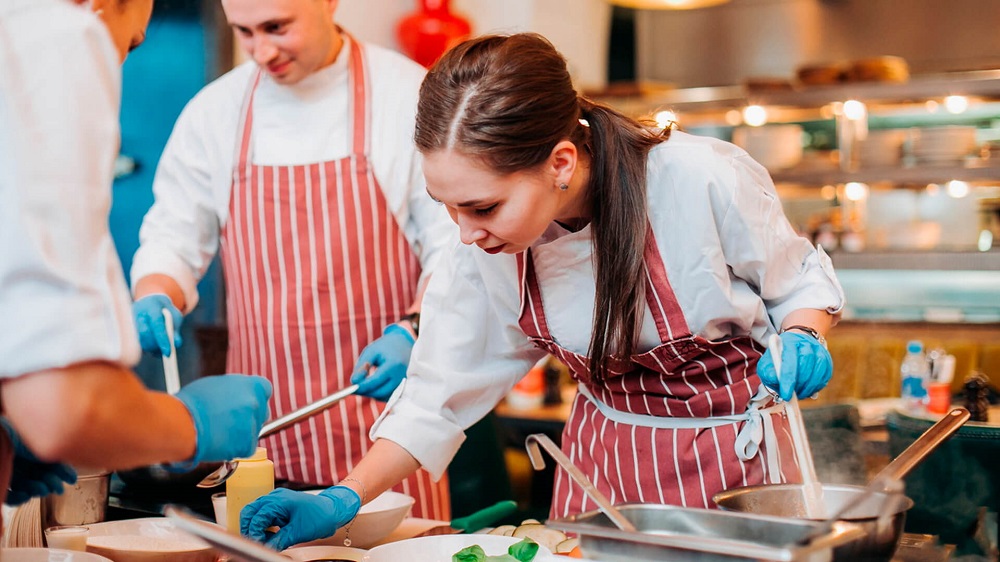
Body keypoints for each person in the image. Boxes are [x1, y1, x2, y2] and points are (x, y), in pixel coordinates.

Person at [240, 32, 846, 551]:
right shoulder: (484, 254)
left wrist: (803, 333)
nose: (466, 233)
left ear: (560, 163)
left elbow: (797, 285)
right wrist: (343, 496)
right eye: (447, 207)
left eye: (484, 206)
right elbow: (436, 396)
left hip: (739, 472)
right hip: (603, 473)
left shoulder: (698, 179)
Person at [128, 0, 454, 519]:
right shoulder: (217, 111)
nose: (261, 51)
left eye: (277, 28)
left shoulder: (408, 97)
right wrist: (156, 292)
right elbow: (174, 233)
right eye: (245, 32)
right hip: (259, 443)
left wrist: (414, 329)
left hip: (388, 437)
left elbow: (455, 243)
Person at [0, 0, 272, 515]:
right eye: (127, 45)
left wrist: (9, 439)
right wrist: (191, 423)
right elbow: (67, 409)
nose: (115, 66)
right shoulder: (56, 40)